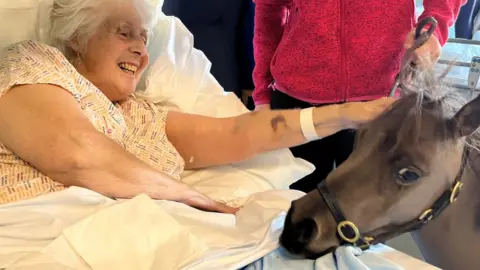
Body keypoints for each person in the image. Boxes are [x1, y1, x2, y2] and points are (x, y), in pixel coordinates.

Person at [0, 0, 394, 213]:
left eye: (144, 38)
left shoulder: (140, 114)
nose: (141, 49)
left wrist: (344, 115)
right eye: (124, 34)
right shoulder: (33, 64)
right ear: (76, 39)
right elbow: (78, 155)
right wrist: (200, 201)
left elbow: (236, 133)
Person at [252, 0, 466, 193]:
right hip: (297, 99)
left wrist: (434, 28)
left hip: (381, 100)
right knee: (293, 206)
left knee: (366, 209)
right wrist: (262, 92)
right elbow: (269, 8)